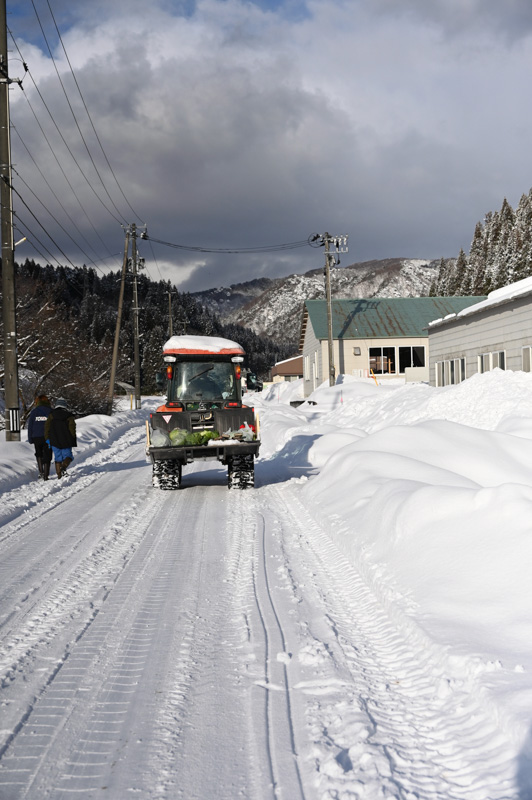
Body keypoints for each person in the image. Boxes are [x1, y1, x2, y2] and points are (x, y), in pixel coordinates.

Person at [44, 397, 77, 479]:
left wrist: (47, 438)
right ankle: (63, 467)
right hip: (66, 440)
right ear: (65, 406)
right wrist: (72, 438)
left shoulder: (51, 415)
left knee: (58, 457)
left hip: (54, 439)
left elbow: (47, 427)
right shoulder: (69, 416)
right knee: (68, 456)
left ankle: (59, 475)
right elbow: (72, 429)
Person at [27, 394, 53, 480]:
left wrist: (30, 438)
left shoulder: (34, 412)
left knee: (39, 454)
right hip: (48, 437)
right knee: (47, 455)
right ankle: (46, 475)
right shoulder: (51, 411)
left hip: (36, 437)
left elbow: (30, 426)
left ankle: (41, 472)